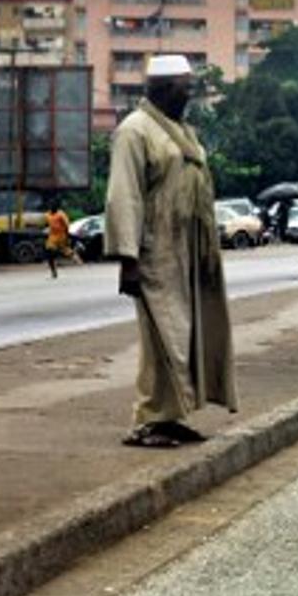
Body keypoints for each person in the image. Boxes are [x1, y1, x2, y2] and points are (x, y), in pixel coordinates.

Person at [105, 54, 237, 448]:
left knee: (188, 336)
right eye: (184, 88)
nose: (189, 95)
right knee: (163, 337)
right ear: (161, 89)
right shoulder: (135, 131)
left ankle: (173, 415)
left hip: (190, 250)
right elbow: (122, 196)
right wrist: (128, 259)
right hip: (154, 251)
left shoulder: (182, 132)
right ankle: (149, 420)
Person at [44, 200, 76, 278]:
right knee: (49, 253)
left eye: (53, 206)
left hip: (61, 236)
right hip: (52, 236)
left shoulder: (61, 214)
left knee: (64, 251)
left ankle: (75, 257)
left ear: (57, 208)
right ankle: (53, 271)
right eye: (51, 206)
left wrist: (67, 236)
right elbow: (47, 224)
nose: (52, 208)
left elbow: (67, 225)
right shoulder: (47, 215)